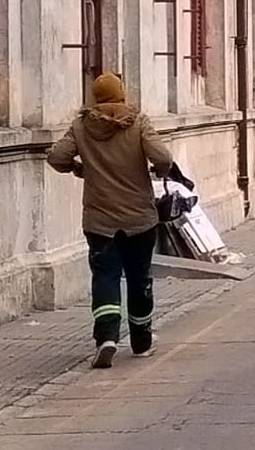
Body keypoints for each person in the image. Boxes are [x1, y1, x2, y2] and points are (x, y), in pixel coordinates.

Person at [47, 72, 174, 369]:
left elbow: (56, 158)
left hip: (99, 219)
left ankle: (106, 337)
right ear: (122, 94)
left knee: (105, 276)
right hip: (138, 218)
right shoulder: (137, 122)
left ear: (95, 97)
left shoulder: (81, 126)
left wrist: (80, 169)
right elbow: (163, 158)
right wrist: (158, 171)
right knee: (139, 277)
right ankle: (141, 341)